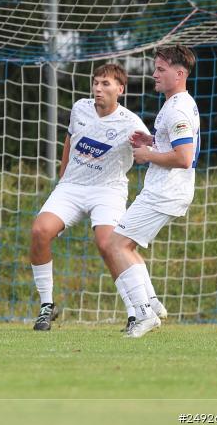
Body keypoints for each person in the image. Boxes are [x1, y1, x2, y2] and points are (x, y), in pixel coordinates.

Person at [28, 64, 166, 332]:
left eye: (105, 84)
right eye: (96, 83)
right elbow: (69, 140)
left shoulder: (130, 122)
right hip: (71, 187)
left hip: (108, 190)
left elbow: (153, 151)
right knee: (39, 231)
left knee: (108, 243)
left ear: (120, 89)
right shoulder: (80, 107)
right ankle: (47, 305)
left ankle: (135, 311)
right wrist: (62, 178)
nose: (98, 89)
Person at [107, 46, 200, 338]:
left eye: (160, 70)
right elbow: (176, 144)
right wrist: (153, 139)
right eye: (155, 68)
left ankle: (145, 314)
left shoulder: (178, 108)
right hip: (165, 191)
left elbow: (184, 158)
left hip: (166, 192)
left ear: (179, 73)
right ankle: (152, 304)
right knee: (124, 245)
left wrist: (148, 154)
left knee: (115, 245)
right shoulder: (175, 103)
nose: (154, 74)